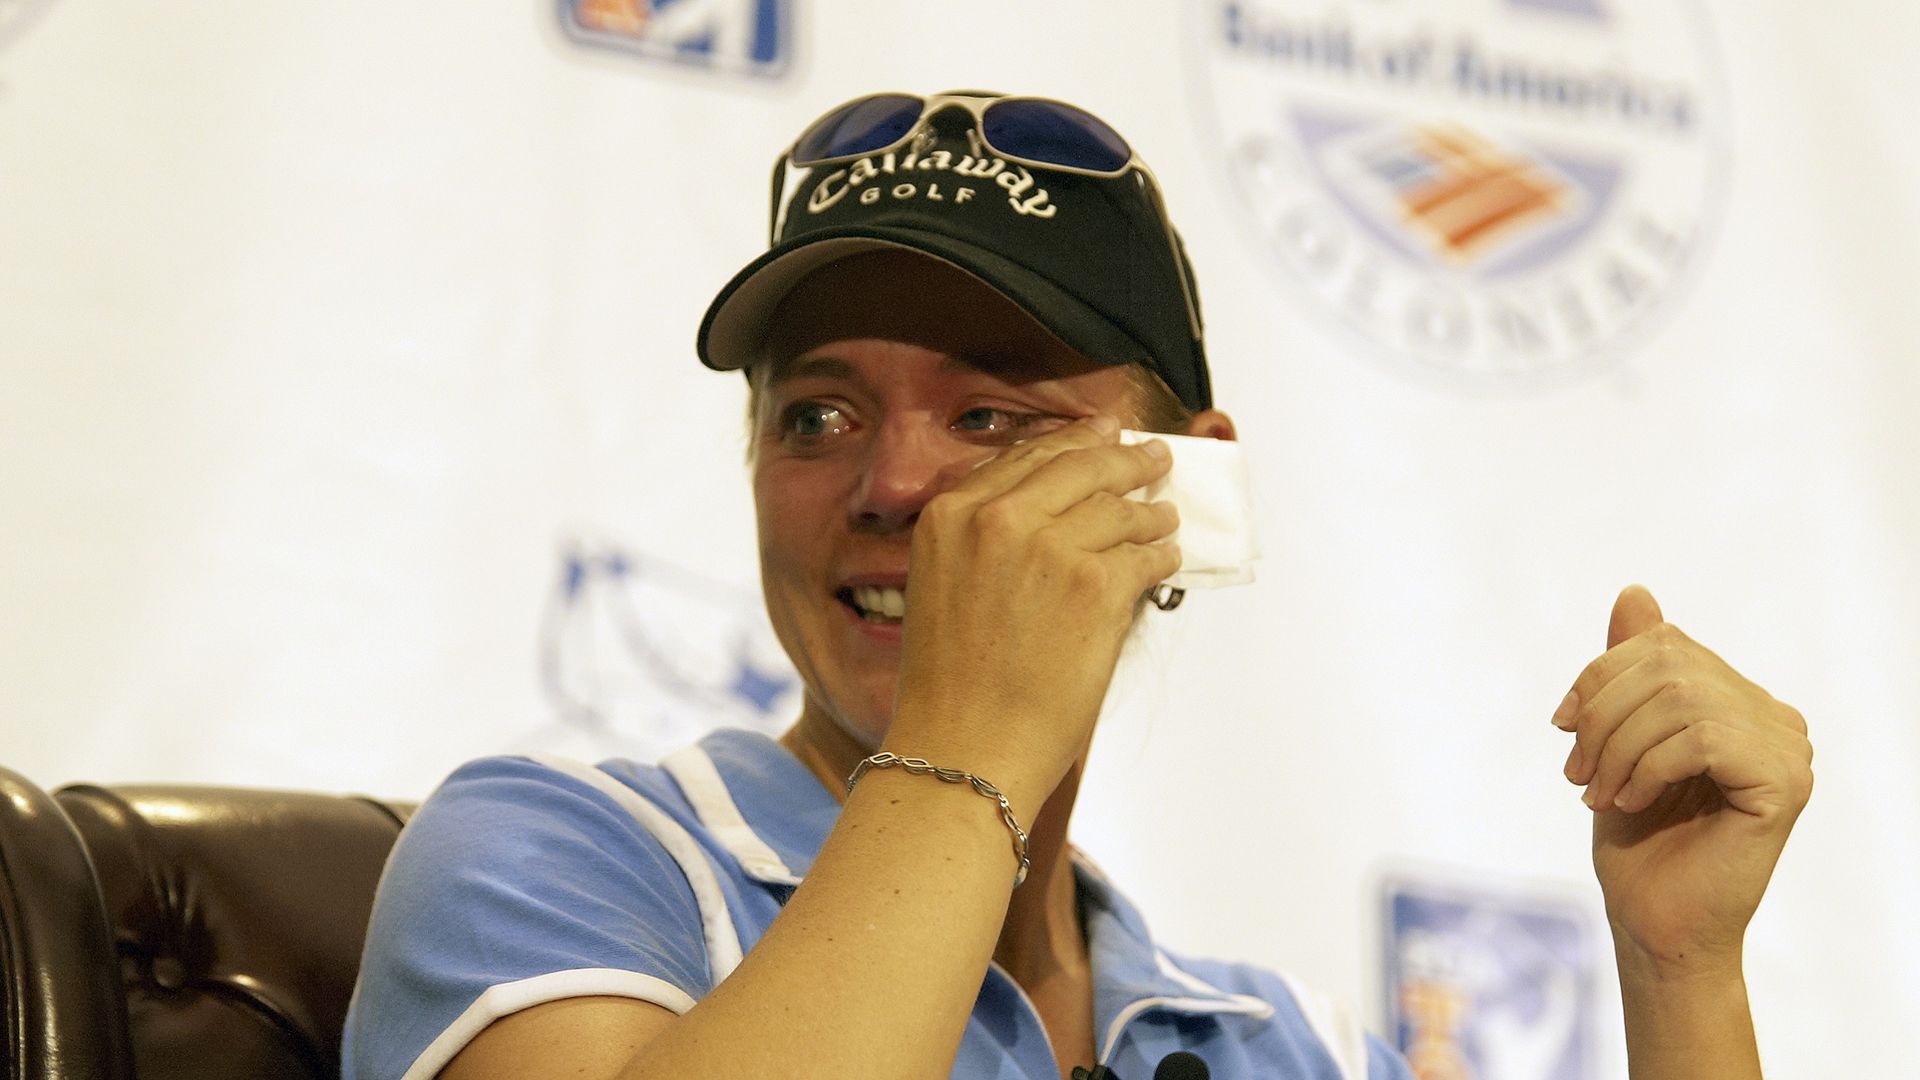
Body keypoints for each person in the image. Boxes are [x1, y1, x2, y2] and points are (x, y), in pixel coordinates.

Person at [343, 91, 1814, 1080]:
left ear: (1191, 492)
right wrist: (972, 742)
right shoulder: (556, 861)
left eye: (992, 416)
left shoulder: (1268, 1042)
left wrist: (1679, 969)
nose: (892, 487)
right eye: (818, 414)